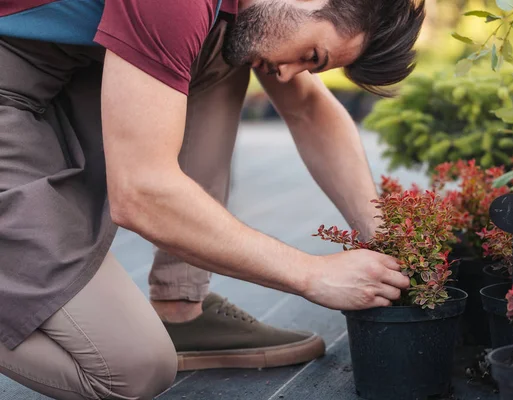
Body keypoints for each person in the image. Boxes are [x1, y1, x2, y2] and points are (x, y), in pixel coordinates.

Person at [0, 0, 425, 398]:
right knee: (131, 368)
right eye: (312, 56)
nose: (287, 74)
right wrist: (311, 275)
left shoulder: (252, 13)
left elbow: (309, 110)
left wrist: (384, 234)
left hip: (52, 90)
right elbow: (141, 193)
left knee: (230, 48)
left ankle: (180, 307)